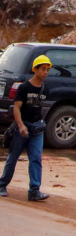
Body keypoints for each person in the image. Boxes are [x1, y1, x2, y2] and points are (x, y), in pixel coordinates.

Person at [0, 55, 51, 202]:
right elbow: (17, 108)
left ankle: (34, 190)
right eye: (43, 69)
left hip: (36, 129)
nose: (45, 73)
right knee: (13, 157)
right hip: (22, 127)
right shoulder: (24, 87)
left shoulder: (45, 88)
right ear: (35, 70)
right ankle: (2, 184)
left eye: (47, 70)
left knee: (36, 158)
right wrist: (21, 125)